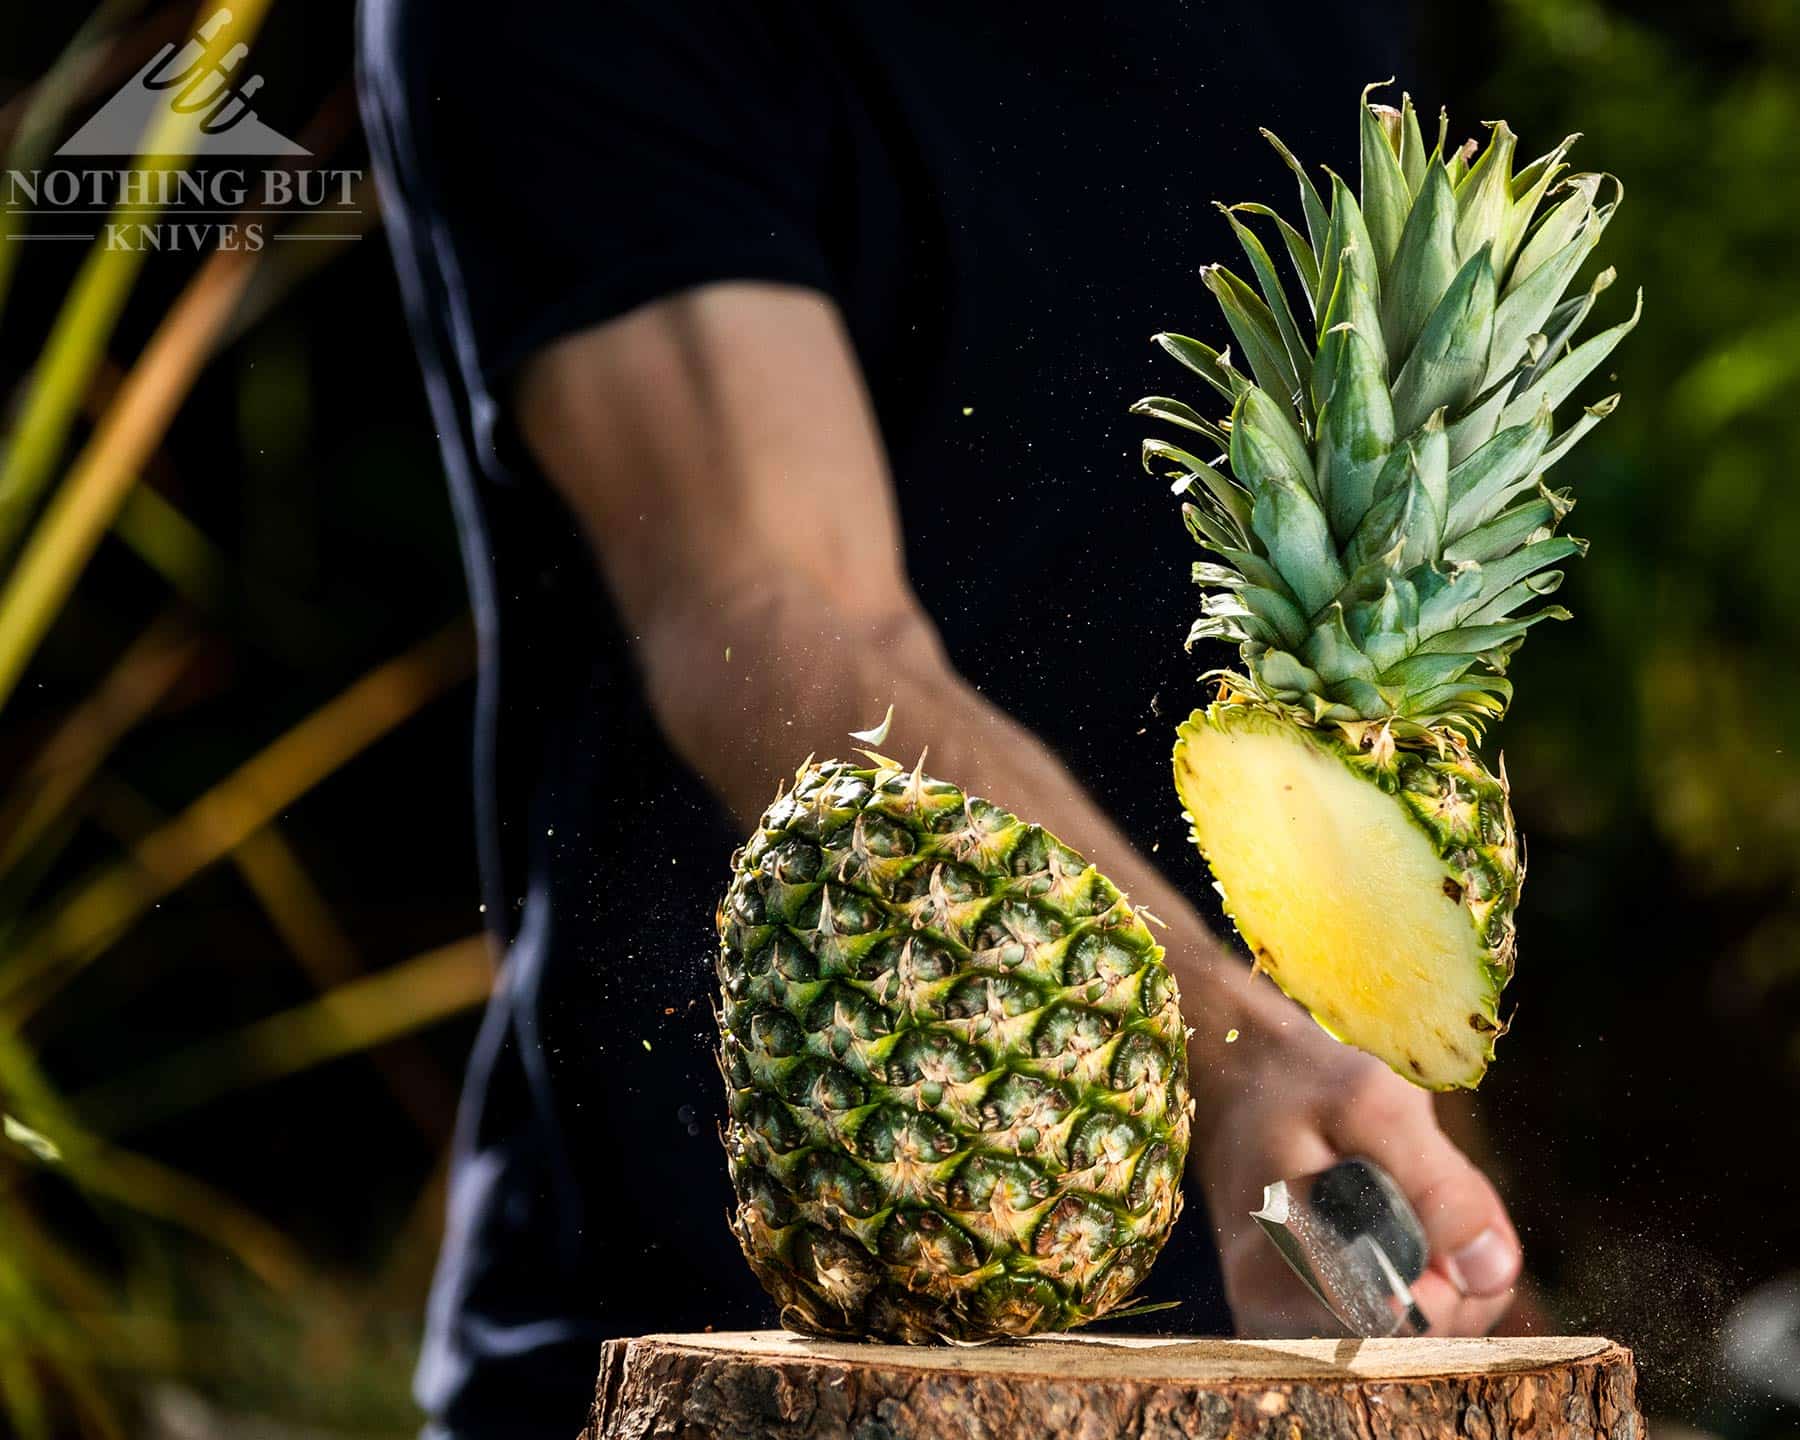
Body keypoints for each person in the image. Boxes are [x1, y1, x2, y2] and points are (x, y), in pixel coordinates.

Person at [357, 3, 1524, 1435]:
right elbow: (774, 602)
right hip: (715, 1357)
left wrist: (1455, 1273)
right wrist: (1229, 1048)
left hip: (1276, 1346)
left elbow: (1355, 740)